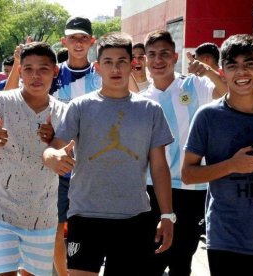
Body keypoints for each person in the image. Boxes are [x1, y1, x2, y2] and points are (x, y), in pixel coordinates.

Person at [43, 32, 174, 276]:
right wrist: (51, 156)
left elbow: (159, 167)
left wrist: (167, 214)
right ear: (98, 66)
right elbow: (55, 147)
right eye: (108, 62)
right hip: (85, 215)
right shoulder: (80, 107)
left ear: (133, 64)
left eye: (122, 61)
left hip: (133, 217)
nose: (115, 68)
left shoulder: (150, 110)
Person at [3, 17, 101, 276]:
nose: (78, 43)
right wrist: (17, 63)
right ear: (64, 41)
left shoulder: (101, 73)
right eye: (73, 38)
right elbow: (9, 96)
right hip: (52, 165)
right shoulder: (51, 72)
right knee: (55, 228)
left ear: (92, 41)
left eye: (83, 38)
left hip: (93, 166)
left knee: (82, 229)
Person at [181, 34, 253, 276]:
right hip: (225, 239)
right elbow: (187, 174)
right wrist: (232, 165)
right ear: (222, 71)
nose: (241, 72)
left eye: (249, 64)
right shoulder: (207, 117)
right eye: (232, 65)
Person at [0, 42, 66, 276]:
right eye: (29, 68)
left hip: (42, 213)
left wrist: (55, 144)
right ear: (20, 71)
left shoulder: (63, 112)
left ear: (54, 72)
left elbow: (63, 154)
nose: (35, 75)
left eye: (43, 69)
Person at [141, 30, 227, 276]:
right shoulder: (142, 99)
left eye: (164, 54)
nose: (158, 60)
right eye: (152, 55)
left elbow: (226, 93)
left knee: (182, 257)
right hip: (153, 188)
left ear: (175, 56)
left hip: (192, 187)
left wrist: (209, 71)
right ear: (146, 59)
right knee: (153, 256)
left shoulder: (194, 84)